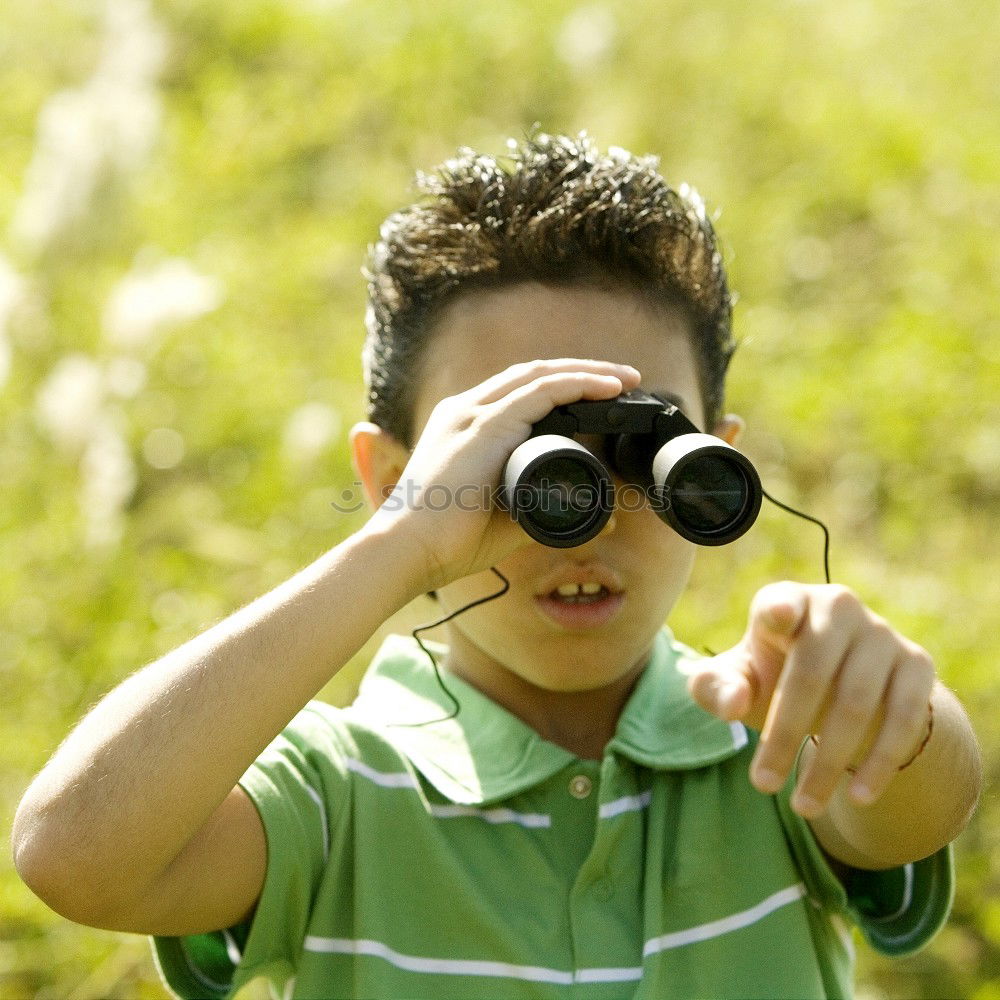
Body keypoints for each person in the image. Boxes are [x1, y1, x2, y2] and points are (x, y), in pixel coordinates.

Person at [13, 133, 981, 999]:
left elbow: (921, 801)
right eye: (519, 460)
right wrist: (399, 539)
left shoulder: (768, 745)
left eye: (651, 453)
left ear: (717, 457)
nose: (585, 520)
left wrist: (885, 705)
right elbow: (74, 854)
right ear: (395, 474)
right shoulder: (338, 794)